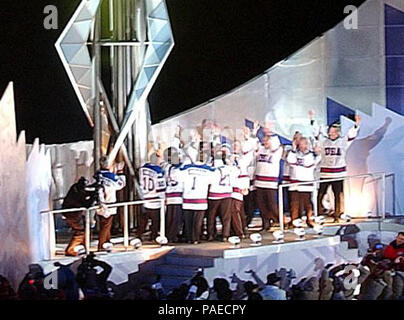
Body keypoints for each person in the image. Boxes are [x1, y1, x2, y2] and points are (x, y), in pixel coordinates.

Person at [311, 111, 361, 222]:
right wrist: (312, 119)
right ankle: (319, 213)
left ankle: (338, 215)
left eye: (333, 132)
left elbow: (351, 134)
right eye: (330, 132)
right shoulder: (324, 141)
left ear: (337, 133)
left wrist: (356, 125)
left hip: (339, 173)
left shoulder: (342, 141)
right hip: (325, 172)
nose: (331, 133)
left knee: (338, 195)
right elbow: (316, 133)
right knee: (321, 194)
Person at [179, 158, 216, 244]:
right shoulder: (208, 170)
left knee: (188, 221)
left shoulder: (186, 169)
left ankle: (189, 238)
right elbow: (214, 180)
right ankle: (196, 238)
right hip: (200, 199)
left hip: (187, 198)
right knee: (198, 222)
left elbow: (178, 178)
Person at [286, 137, 321, 227]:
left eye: (304, 144)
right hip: (295, 181)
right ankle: (294, 220)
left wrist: (317, 153)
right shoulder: (294, 153)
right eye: (300, 144)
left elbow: (310, 164)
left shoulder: (312, 155)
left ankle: (309, 219)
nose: (302, 146)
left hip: (306, 182)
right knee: (294, 203)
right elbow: (290, 161)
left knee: (307, 203)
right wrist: (293, 149)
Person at [207, 146, 238, 242]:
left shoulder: (212, 167)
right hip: (227, 193)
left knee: (211, 216)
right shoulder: (230, 168)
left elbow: (209, 180)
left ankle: (211, 235)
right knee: (226, 217)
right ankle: (225, 235)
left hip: (214, 193)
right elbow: (236, 175)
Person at [96, 157, 126, 251]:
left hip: (99, 203)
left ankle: (106, 242)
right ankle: (101, 245)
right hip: (109, 203)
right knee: (106, 225)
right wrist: (120, 172)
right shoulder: (111, 176)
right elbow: (121, 184)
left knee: (104, 224)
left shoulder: (97, 175)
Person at [254, 134, 283, 230]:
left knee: (272, 205)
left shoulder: (277, 151)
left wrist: (271, 136)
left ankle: (281, 221)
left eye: (268, 141)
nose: (265, 143)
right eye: (264, 141)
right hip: (259, 182)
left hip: (271, 182)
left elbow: (277, 145)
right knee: (261, 205)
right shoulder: (260, 150)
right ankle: (265, 223)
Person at [61, 177, 93, 256]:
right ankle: (70, 250)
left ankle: (86, 247)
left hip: (74, 213)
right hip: (72, 214)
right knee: (80, 231)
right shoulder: (77, 192)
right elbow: (85, 203)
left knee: (86, 228)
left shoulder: (75, 189)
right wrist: (92, 198)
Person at [137, 153, 166, 241]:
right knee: (155, 220)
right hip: (155, 198)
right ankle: (153, 236)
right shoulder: (159, 171)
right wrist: (164, 198)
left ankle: (139, 235)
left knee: (144, 218)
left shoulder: (142, 169)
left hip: (145, 196)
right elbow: (161, 186)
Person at [162, 147, 184, 243]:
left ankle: (170, 235)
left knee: (171, 216)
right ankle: (171, 236)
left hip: (170, 194)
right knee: (175, 217)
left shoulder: (166, 167)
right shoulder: (179, 168)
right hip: (176, 195)